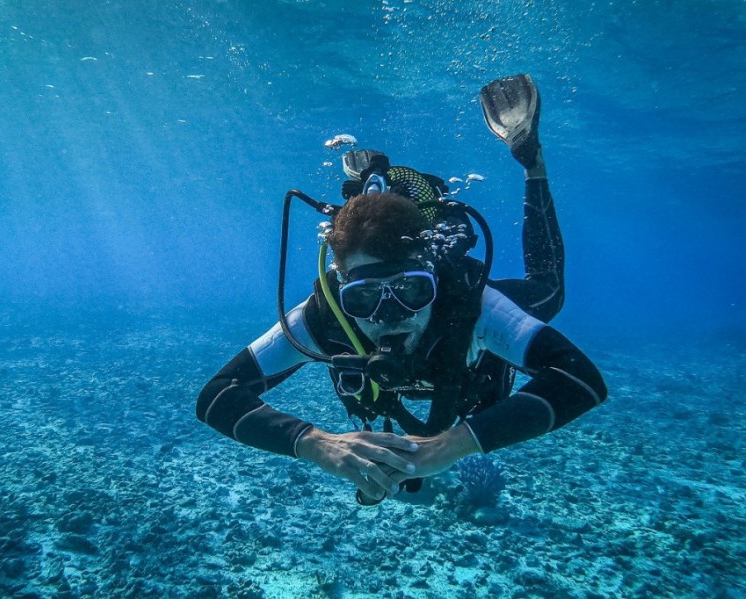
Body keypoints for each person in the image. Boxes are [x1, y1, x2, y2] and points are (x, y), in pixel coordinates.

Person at [196, 74, 607, 505]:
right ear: (342, 289)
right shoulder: (325, 315)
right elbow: (217, 394)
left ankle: (531, 160)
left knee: (548, 293)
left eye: (411, 291)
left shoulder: (466, 301)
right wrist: (316, 443)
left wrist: (451, 446)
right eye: (364, 298)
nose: (390, 315)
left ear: (434, 279)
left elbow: (580, 378)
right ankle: (369, 184)